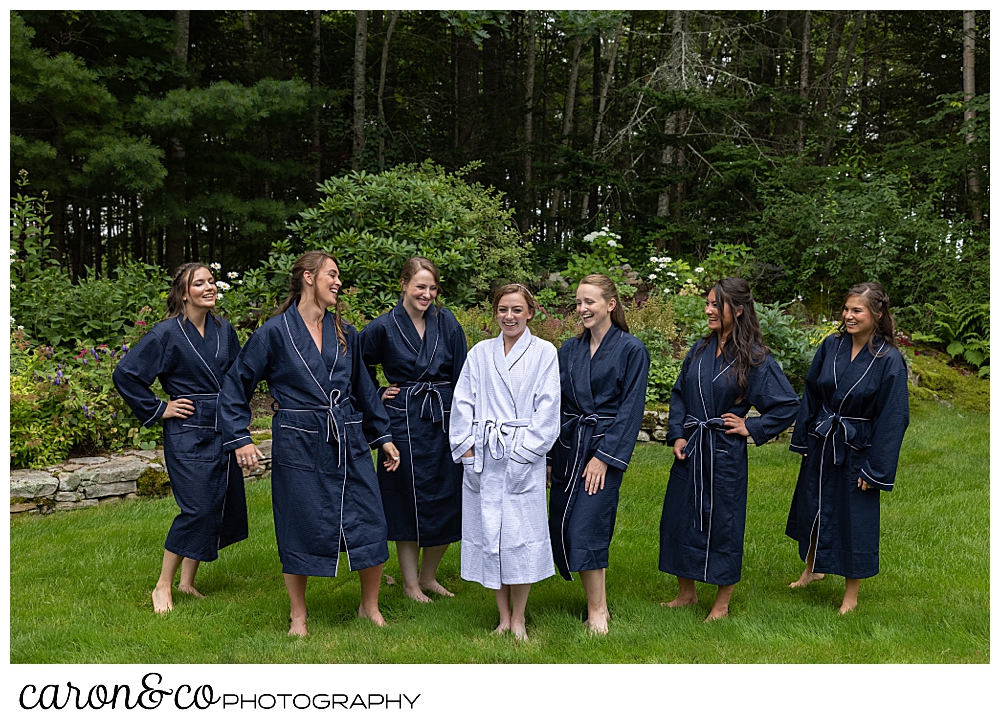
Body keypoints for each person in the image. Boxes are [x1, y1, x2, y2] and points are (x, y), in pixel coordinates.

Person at [218, 251, 401, 636]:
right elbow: (236, 384)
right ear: (307, 277)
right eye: (331, 275)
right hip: (299, 441)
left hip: (347, 437)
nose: (338, 282)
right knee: (299, 523)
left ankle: (369, 607)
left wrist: (382, 437)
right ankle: (298, 615)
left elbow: (363, 389)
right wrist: (240, 438)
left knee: (370, 518)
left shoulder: (344, 332)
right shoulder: (275, 332)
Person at [659, 277, 799, 621]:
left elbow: (786, 404)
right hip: (692, 448)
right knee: (679, 519)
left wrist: (750, 426)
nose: (707, 310)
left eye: (714, 305)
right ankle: (687, 594)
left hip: (724, 455)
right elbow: (679, 393)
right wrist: (678, 434)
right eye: (706, 303)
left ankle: (721, 604)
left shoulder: (754, 358)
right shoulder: (700, 350)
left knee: (724, 524)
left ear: (737, 310)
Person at [113, 262, 247, 614]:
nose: (209, 287)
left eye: (212, 281)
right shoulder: (166, 334)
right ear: (184, 293)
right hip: (187, 432)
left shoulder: (224, 330)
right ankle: (162, 586)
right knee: (196, 507)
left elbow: (235, 379)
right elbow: (126, 374)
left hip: (221, 425)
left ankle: (187, 582)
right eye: (199, 283)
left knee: (214, 503)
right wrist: (160, 409)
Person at [786, 281, 909, 614]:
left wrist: (877, 468)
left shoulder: (889, 360)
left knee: (853, 518)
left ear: (877, 314)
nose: (849, 316)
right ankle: (812, 569)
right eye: (846, 309)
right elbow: (812, 392)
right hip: (825, 439)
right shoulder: (831, 346)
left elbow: (893, 418)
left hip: (858, 447)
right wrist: (805, 438)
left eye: (857, 310)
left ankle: (850, 596)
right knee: (813, 505)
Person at [450, 283, 560, 641]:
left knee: (521, 536)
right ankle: (502, 616)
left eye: (516, 310)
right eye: (502, 310)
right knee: (489, 535)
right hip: (484, 454)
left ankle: (520, 617)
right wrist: (466, 451)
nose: (509, 316)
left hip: (522, 455)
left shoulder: (544, 352)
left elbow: (548, 409)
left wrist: (526, 454)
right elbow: (463, 401)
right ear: (495, 313)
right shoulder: (480, 353)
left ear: (530, 312)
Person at [358, 257, 468, 602]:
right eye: (420, 286)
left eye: (433, 288)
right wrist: (377, 393)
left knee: (447, 496)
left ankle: (428, 577)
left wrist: (466, 418)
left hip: (443, 418)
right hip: (403, 421)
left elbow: (463, 372)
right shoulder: (383, 327)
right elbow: (356, 366)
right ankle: (408, 584)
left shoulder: (446, 321)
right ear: (404, 284)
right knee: (406, 498)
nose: (427, 294)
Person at [547, 274, 649, 635]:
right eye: (578, 302)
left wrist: (604, 456)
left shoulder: (631, 349)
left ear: (610, 304)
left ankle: (598, 610)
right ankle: (595, 602)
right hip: (569, 446)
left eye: (589, 301)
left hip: (603, 448)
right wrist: (548, 455)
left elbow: (631, 409)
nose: (582, 309)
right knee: (564, 527)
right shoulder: (568, 351)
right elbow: (555, 404)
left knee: (587, 526)